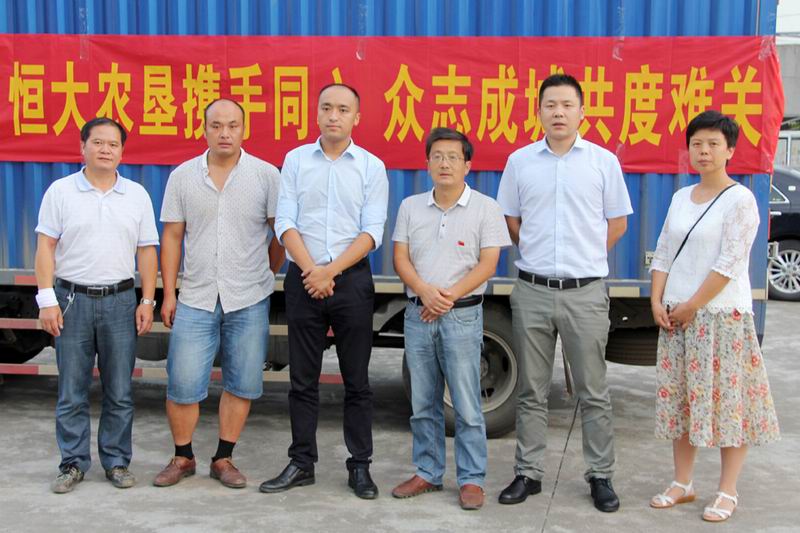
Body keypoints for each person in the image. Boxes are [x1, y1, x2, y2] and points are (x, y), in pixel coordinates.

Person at [496, 73, 632, 512]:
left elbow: (617, 223)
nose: (558, 112)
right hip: (532, 290)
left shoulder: (602, 162)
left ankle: (600, 475)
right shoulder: (520, 162)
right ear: (538, 111)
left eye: (567, 105)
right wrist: (538, 253)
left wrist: (585, 258)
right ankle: (528, 473)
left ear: (582, 112)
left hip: (585, 293)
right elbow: (511, 219)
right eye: (550, 105)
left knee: (593, 390)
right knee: (531, 390)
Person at [648, 110, 780, 522]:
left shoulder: (741, 200)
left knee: (729, 404)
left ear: (730, 150)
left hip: (721, 319)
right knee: (682, 402)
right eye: (697, 144)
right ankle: (682, 483)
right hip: (677, 317)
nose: (703, 151)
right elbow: (664, 251)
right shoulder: (680, 198)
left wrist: (693, 305)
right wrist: (657, 300)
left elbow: (730, 262)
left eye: (713, 144)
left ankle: (727, 490)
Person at [261, 83, 388, 499]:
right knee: (302, 380)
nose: (334, 116)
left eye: (343, 109)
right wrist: (311, 270)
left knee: (357, 381)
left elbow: (372, 231)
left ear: (357, 118)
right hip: (304, 279)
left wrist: (329, 271)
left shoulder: (371, 167)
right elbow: (285, 221)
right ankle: (302, 462)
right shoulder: (296, 160)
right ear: (316, 114)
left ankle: (360, 465)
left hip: (351, 281)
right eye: (327, 108)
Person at [154, 98, 283, 489]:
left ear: (244, 129)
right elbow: (172, 236)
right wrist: (169, 293)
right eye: (216, 125)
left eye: (232, 125)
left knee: (241, 382)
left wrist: (266, 272)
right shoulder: (182, 176)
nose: (224, 133)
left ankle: (224, 458)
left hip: (249, 297)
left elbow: (280, 233)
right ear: (204, 128)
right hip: (195, 296)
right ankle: (183, 456)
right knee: (182, 383)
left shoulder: (266, 176)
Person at [35, 117, 159, 493]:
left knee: (119, 390)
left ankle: (116, 461)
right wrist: (47, 300)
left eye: (113, 144)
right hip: (71, 301)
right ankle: (72, 463)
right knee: (72, 390)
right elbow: (46, 247)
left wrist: (147, 300)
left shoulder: (136, 194)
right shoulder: (60, 192)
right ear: (83, 147)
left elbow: (147, 250)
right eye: (98, 142)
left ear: (122, 151)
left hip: (120, 301)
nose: (106, 150)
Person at [390, 128, 511, 510]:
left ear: (467, 165)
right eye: (438, 156)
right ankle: (427, 471)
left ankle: (472, 479)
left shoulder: (486, 208)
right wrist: (424, 291)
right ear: (427, 163)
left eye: (453, 157)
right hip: (418, 314)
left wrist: (446, 297)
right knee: (423, 401)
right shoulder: (410, 206)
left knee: (466, 403)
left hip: (462, 316)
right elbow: (400, 257)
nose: (445, 163)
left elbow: (489, 263)